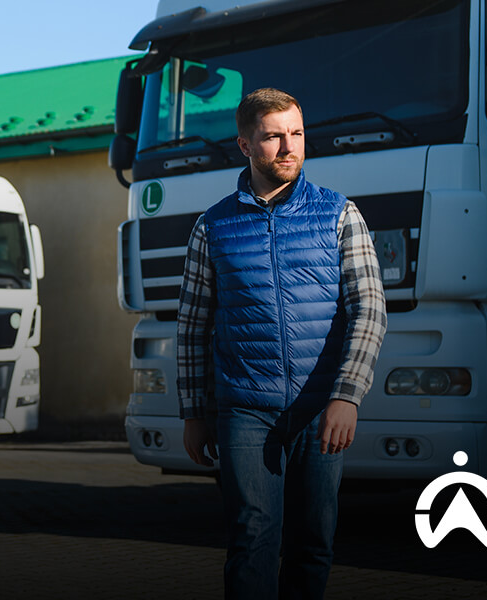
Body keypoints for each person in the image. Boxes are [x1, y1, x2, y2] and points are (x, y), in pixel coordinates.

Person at [176, 88, 387, 599]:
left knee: (313, 544)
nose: (289, 146)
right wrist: (194, 412)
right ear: (246, 145)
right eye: (273, 136)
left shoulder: (340, 214)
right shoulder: (213, 227)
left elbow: (370, 310)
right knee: (252, 540)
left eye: (296, 133)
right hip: (246, 410)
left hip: (321, 410)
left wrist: (346, 396)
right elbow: (192, 325)